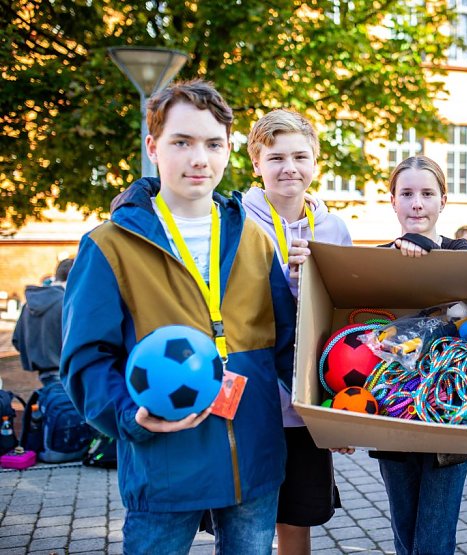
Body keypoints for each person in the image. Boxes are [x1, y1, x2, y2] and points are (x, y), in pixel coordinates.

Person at [60, 80, 297, 554]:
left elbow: (289, 343)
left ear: (228, 149)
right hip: (165, 464)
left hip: (253, 463)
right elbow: (85, 359)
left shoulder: (253, 237)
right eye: (182, 142)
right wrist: (128, 415)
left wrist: (340, 406)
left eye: (213, 144)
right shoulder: (109, 246)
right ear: (153, 147)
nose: (199, 159)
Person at [241, 108, 351, 554]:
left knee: (296, 518)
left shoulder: (334, 227)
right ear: (256, 165)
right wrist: (275, 272)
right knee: (244, 520)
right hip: (251, 396)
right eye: (276, 157)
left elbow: (343, 314)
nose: (289, 167)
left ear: (315, 162)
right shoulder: (235, 221)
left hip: (305, 398)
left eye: (300, 156)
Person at [371, 155, 467, 555]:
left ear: (443, 201)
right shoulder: (377, 259)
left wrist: (427, 249)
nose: (417, 203)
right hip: (393, 411)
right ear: (392, 201)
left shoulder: (462, 250)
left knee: (434, 538)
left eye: (427, 194)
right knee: (405, 531)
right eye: (407, 194)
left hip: (450, 413)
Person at [13, 258, 74, 385]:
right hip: (67, 373)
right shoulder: (68, 304)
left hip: (44, 374)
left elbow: (17, 340)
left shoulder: (28, 304)